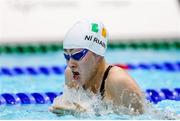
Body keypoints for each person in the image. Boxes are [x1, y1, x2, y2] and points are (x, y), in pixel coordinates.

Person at [49, 19, 144, 115]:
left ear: (97, 54)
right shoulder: (70, 75)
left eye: (77, 55)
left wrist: (87, 116)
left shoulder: (120, 82)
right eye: (66, 56)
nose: (70, 64)